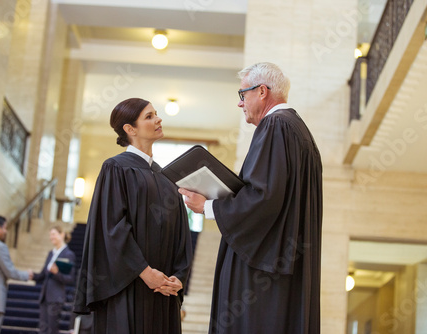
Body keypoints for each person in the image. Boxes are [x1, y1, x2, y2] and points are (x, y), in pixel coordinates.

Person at [180, 62, 323, 333]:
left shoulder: (275, 127)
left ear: (262, 91)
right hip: (285, 268)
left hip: (262, 273)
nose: (240, 103)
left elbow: (263, 197)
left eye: (242, 95)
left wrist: (208, 206)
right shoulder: (299, 131)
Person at [73, 98, 193, 334]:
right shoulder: (116, 168)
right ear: (130, 129)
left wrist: (178, 278)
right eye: (149, 116)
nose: (158, 119)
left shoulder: (167, 178)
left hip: (164, 290)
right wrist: (146, 273)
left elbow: (182, 232)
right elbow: (112, 227)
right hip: (128, 286)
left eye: (156, 114)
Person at [33, 226, 76, 334]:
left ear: (62, 234)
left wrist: (57, 273)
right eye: (50, 235)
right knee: (43, 329)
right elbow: (43, 274)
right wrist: (31, 275)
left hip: (56, 297)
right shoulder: (50, 253)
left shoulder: (68, 254)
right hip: (45, 296)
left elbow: (70, 279)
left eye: (53, 234)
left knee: (52, 329)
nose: (51, 237)